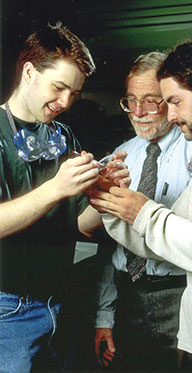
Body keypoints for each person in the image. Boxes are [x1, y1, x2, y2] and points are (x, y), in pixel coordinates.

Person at [89, 39, 192, 372]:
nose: (170, 113)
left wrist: (142, 211)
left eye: (174, 101)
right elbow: (165, 240)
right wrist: (111, 204)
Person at [0, 22, 129, 372]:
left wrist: (101, 195)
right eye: (58, 88)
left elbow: (80, 226)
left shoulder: (61, 134)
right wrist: (56, 188)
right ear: (28, 72)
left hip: (60, 301)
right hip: (8, 311)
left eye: (74, 93)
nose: (65, 102)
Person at [94, 52, 192, 371]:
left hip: (182, 295)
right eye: (130, 101)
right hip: (128, 296)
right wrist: (104, 316)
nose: (138, 112)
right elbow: (111, 244)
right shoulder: (120, 158)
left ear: (171, 101)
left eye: (150, 101)